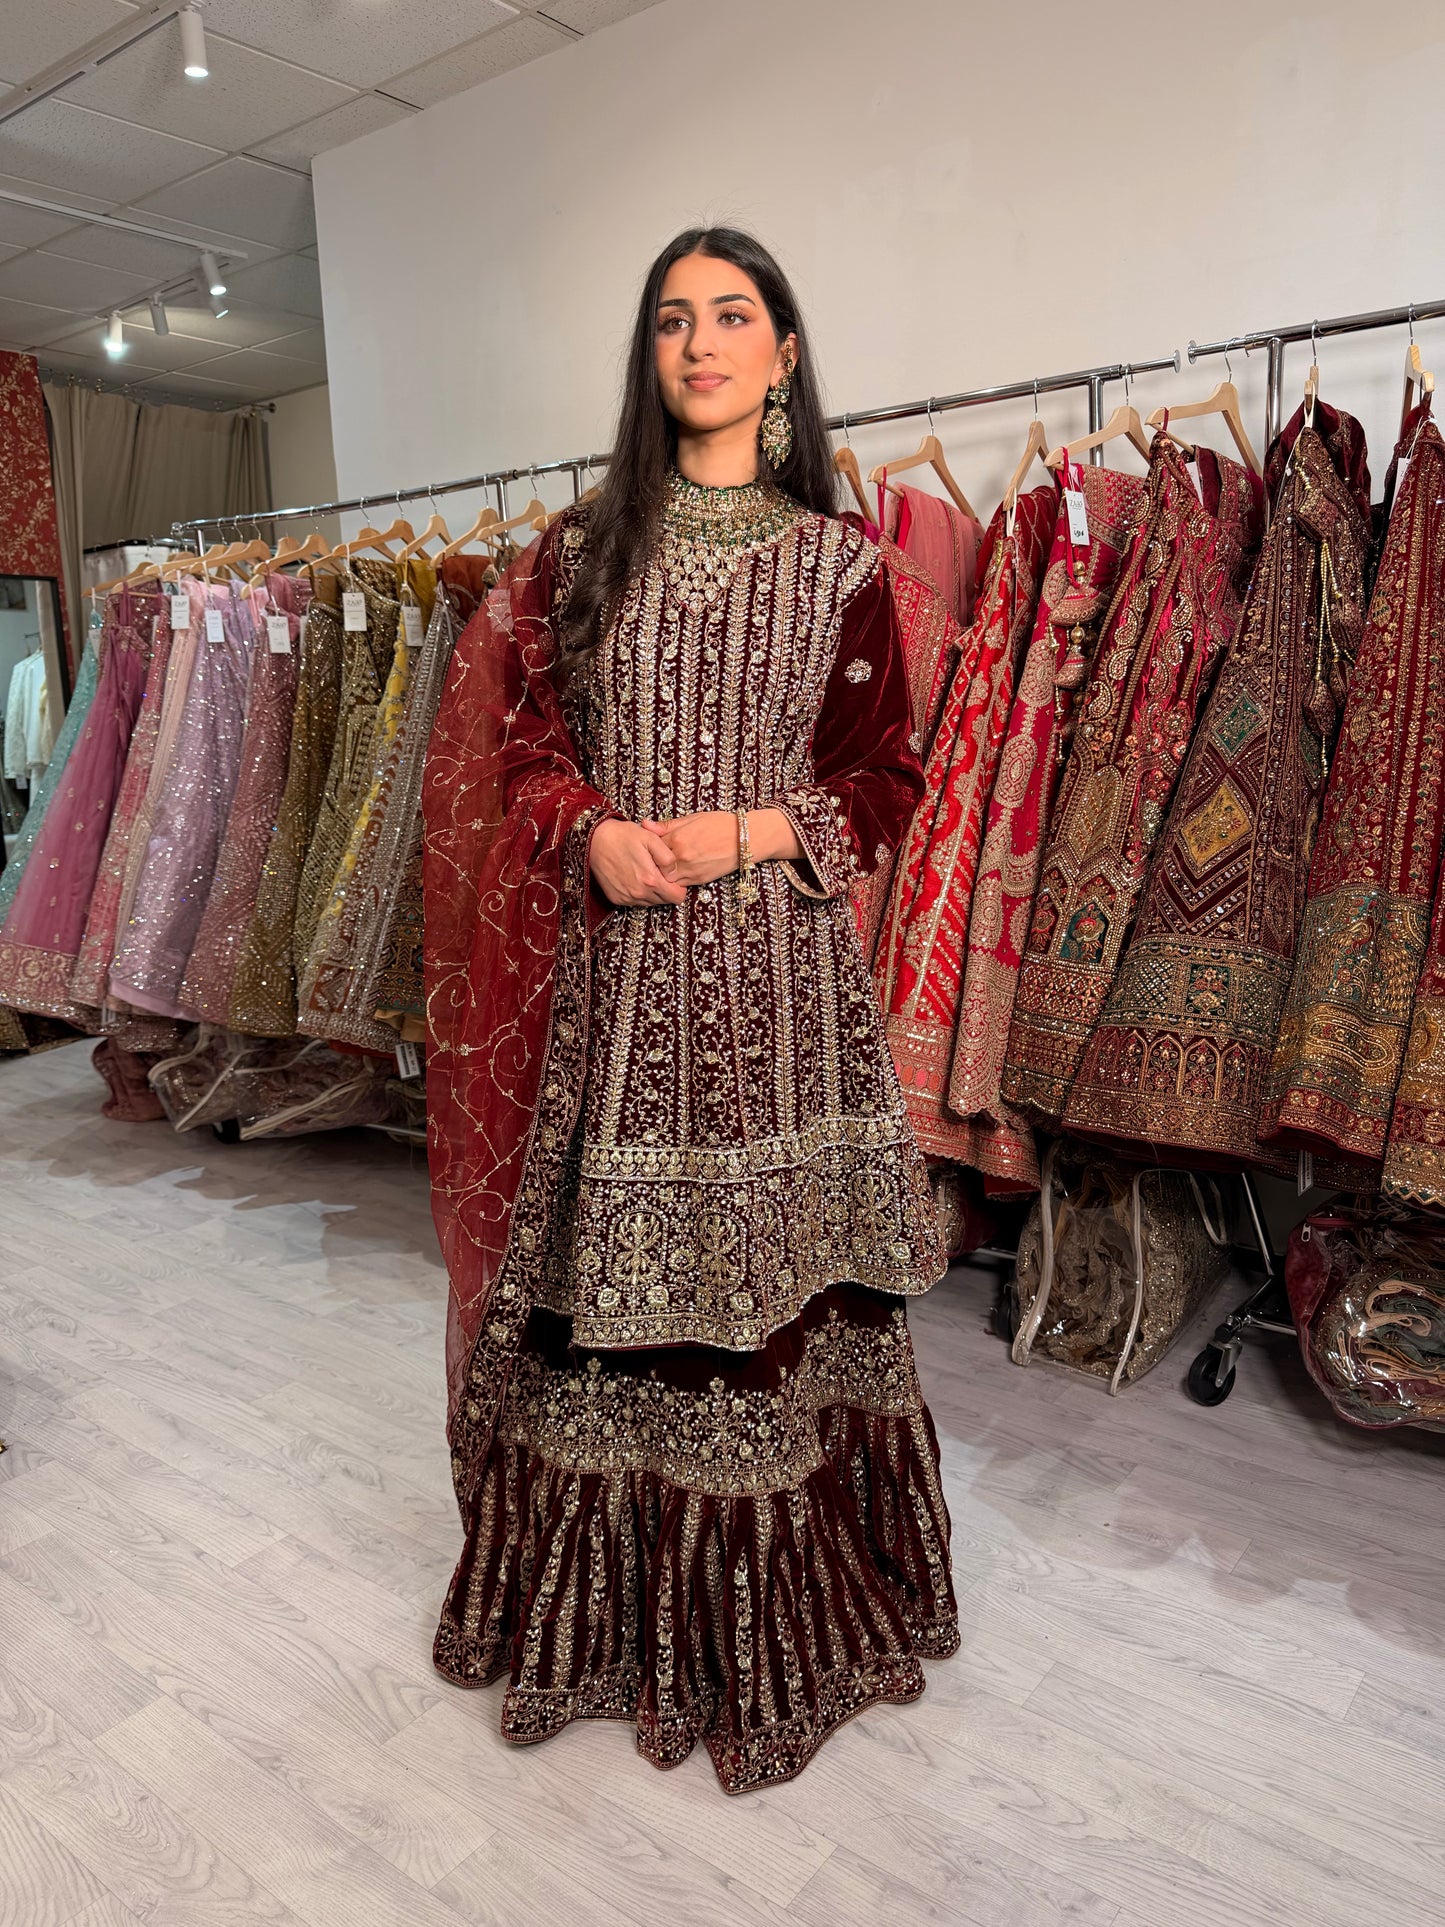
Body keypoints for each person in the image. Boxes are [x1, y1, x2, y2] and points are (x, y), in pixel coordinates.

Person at [423, 225, 959, 1794]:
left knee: (775, 1299)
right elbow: (520, 748)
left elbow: (889, 778)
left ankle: (775, 1625)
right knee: (611, 1302)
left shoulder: (843, 567)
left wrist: (739, 833)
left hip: (783, 995)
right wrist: (586, 829)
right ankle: (607, 1633)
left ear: (784, 354)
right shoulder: (574, 553)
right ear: (649, 358)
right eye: (674, 320)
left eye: (734, 316)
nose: (703, 342)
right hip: (616, 994)